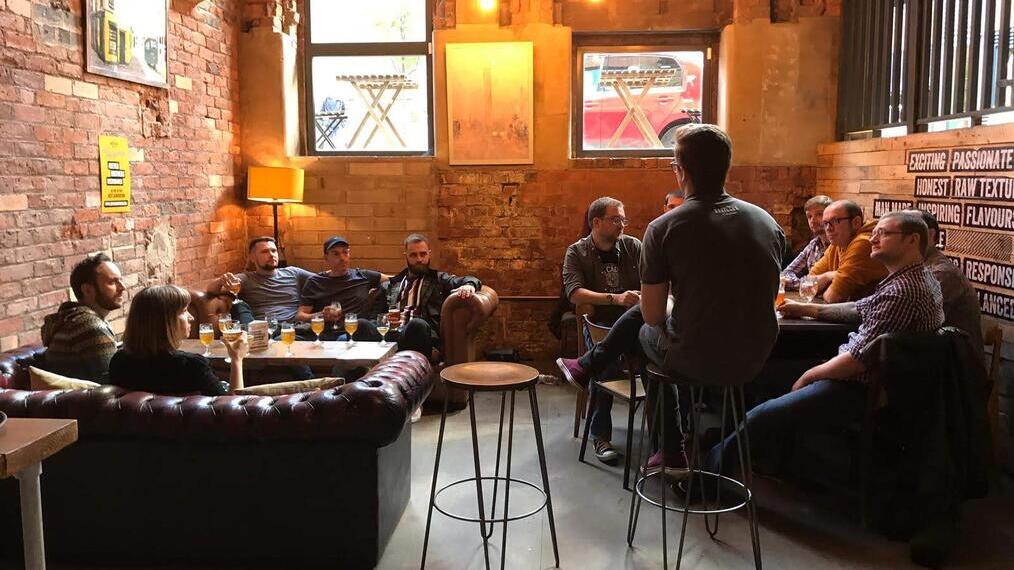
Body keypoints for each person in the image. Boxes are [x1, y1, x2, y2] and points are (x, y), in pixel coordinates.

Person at [729, 211, 945, 474]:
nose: (873, 239)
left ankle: (710, 476)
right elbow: (858, 308)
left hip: (862, 389)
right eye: (875, 232)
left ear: (913, 240)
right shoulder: (915, 278)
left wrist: (810, 375)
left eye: (884, 233)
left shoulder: (903, 291)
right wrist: (806, 310)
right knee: (757, 376)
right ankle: (768, 457)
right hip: (875, 379)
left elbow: (856, 361)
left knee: (758, 415)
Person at [637, 123, 786, 474]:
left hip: (698, 359)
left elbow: (652, 314)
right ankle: (701, 438)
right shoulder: (766, 221)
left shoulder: (664, 228)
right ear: (726, 168)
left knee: (641, 334)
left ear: (680, 171)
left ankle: (671, 449)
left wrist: (674, 305)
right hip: (756, 358)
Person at [556, 197, 643, 464]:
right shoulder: (577, 252)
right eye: (615, 219)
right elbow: (574, 294)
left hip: (636, 322)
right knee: (606, 363)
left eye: (623, 219)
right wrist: (614, 298)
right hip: (599, 326)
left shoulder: (633, 246)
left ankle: (667, 440)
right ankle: (600, 435)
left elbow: (653, 281)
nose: (622, 225)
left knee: (662, 356)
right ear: (596, 222)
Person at [110, 285, 248, 395]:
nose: (191, 317)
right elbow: (233, 409)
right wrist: (236, 359)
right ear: (164, 322)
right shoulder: (191, 366)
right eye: (184, 311)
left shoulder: (119, 362)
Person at [380, 234, 481, 360]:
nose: (419, 259)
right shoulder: (393, 284)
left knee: (417, 324)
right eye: (413, 255)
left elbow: (468, 279)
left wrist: (469, 285)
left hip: (418, 334)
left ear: (429, 254)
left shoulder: (437, 279)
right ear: (405, 255)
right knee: (362, 325)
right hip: (391, 334)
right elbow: (374, 316)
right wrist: (385, 319)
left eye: (423, 254)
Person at [40, 253, 125, 382]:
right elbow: (113, 381)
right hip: (85, 402)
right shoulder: (90, 326)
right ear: (87, 290)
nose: (122, 287)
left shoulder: (75, 319)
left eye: (120, 280)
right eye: (112, 282)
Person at [913, 209, 983, 356]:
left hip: (954, 370)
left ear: (930, 235)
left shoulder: (941, 274)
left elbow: (910, 326)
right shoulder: (915, 267)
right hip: (931, 360)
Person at [296, 236, 388, 341]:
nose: (342, 258)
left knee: (358, 328)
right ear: (326, 257)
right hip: (323, 333)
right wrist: (320, 315)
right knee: (281, 339)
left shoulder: (363, 276)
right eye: (336, 254)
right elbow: (300, 315)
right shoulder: (315, 282)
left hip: (354, 332)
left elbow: (393, 280)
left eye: (345, 252)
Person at [209, 237, 313, 324]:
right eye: (265, 252)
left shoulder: (294, 272)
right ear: (252, 258)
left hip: (294, 328)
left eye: (274, 250)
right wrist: (221, 280)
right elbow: (211, 290)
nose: (271, 255)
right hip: (265, 330)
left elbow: (321, 279)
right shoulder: (246, 278)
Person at [808, 200, 887, 302]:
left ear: (856, 222)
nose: (828, 228)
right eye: (825, 223)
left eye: (835, 221)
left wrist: (826, 278)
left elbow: (832, 297)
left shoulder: (864, 243)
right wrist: (831, 276)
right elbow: (808, 284)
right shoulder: (838, 243)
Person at [781, 195, 832, 290]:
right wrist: (804, 284)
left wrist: (807, 284)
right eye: (809, 216)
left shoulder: (838, 245)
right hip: (811, 298)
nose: (813, 220)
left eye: (819, 214)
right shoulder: (813, 244)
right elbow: (786, 274)